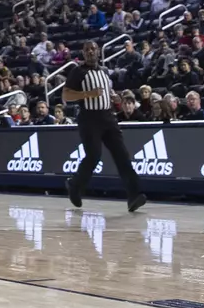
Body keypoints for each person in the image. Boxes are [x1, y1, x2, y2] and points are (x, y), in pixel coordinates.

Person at [61, 40, 147, 212]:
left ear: (98, 51)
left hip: (108, 117)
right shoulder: (78, 72)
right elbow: (66, 95)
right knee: (94, 155)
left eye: (93, 49)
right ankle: (75, 185)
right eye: (87, 50)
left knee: (122, 155)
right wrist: (87, 94)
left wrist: (114, 97)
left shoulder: (104, 71)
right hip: (89, 118)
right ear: (84, 53)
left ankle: (134, 195)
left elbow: (108, 91)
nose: (91, 52)